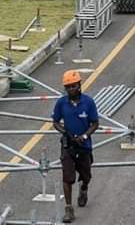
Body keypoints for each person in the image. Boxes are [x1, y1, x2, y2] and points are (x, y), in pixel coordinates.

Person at [53, 70, 99, 223]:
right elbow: (55, 122)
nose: (71, 89)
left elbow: (95, 123)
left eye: (73, 86)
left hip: (84, 146)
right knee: (67, 177)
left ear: (79, 85)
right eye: (68, 87)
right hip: (68, 146)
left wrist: (84, 136)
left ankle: (84, 188)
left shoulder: (89, 102)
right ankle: (68, 209)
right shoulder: (61, 103)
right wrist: (66, 133)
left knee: (86, 175)